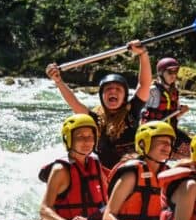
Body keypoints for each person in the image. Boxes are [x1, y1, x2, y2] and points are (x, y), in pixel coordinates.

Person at [45, 40, 151, 169]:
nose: (113, 91)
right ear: (101, 96)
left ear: (124, 96)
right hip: (105, 174)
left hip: (132, 171)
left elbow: (144, 84)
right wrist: (58, 81)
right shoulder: (95, 118)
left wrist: (143, 54)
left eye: (118, 89)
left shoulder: (132, 110)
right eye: (108, 89)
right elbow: (74, 104)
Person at [102, 121, 175, 220]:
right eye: (161, 142)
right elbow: (108, 216)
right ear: (143, 143)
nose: (167, 146)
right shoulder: (131, 175)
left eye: (169, 142)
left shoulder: (168, 174)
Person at [38, 114, 111, 220]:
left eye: (90, 137)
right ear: (69, 139)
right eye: (80, 137)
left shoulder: (95, 163)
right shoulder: (60, 170)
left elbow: (107, 199)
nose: (86, 142)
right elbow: (44, 208)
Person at [141, 57, 192, 155]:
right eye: (169, 72)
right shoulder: (153, 91)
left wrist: (181, 112)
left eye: (175, 72)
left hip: (171, 131)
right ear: (161, 73)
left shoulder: (175, 91)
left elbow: (174, 116)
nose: (173, 75)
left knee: (191, 149)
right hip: (153, 133)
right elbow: (141, 115)